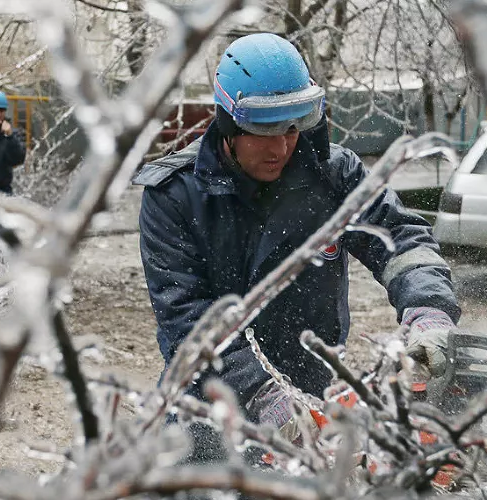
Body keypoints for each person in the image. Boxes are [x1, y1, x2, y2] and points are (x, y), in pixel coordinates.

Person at [133, 33, 460, 461]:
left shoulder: (334, 176)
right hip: (209, 403)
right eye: (264, 130)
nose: (281, 147)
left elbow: (401, 238)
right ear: (229, 124)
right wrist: (260, 393)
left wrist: (429, 308)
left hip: (313, 387)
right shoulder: (174, 196)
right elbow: (186, 319)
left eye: (292, 127)